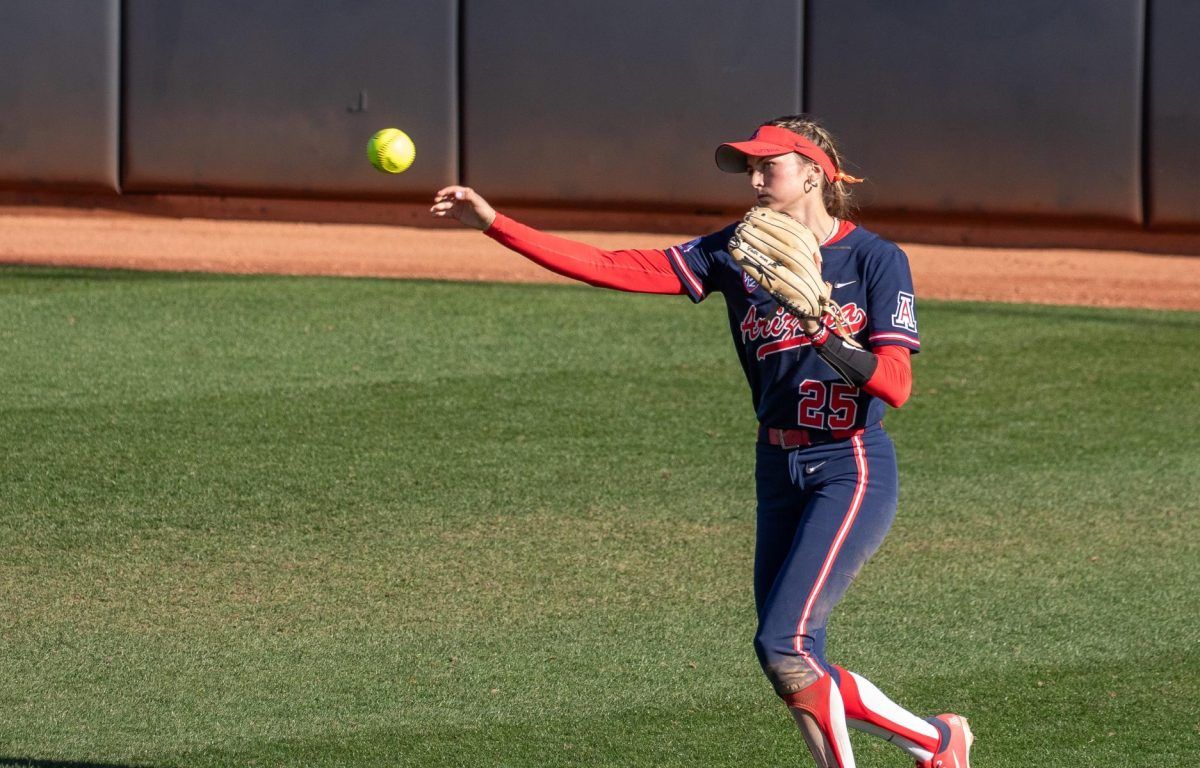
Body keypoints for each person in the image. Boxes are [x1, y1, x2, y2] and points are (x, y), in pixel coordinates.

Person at [430, 115, 973, 768]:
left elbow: (895, 383)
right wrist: (496, 224)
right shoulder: (735, 253)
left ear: (812, 172)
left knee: (785, 645)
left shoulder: (875, 259)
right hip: (775, 467)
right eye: (748, 166)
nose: (753, 177)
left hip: (849, 465)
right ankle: (939, 743)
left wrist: (821, 332)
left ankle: (934, 744)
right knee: (789, 658)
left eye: (765, 165)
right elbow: (613, 265)